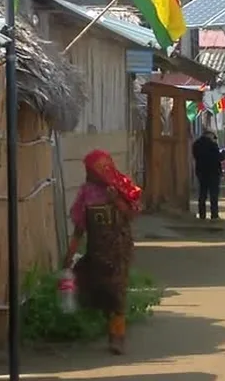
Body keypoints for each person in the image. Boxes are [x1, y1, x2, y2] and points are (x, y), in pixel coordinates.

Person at [62, 150, 142, 355]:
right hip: (97, 252)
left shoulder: (120, 186)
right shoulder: (86, 193)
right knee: (98, 289)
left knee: (117, 292)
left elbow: (131, 214)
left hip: (119, 250)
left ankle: (118, 337)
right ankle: (110, 328)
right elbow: (79, 228)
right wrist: (70, 254)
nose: (92, 173)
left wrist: (116, 200)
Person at [192, 130, 225, 220]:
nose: (214, 139)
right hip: (213, 172)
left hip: (201, 172)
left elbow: (195, 156)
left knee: (202, 194)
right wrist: (224, 154)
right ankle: (214, 215)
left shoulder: (196, 144)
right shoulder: (212, 145)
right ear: (209, 135)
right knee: (213, 195)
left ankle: (202, 214)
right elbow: (218, 157)